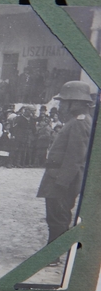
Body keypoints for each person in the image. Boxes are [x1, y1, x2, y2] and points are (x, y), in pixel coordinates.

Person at [37, 81, 93, 265]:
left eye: (65, 101)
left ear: (75, 103)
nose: (61, 105)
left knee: (58, 216)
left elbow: (75, 156)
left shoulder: (79, 122)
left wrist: (62, 182)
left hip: (61, 180)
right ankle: (53, 251)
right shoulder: (77, 121)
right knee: (56, 215)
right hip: (59, 177)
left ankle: (53, 255)